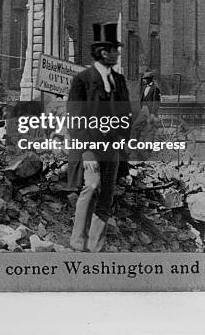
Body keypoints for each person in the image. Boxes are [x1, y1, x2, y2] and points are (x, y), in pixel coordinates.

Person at [67, 41, 132, 252]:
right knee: (92, 185)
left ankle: (96, 247)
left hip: (113, 147)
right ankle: (78, 242)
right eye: (114, 50)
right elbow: (75, 119)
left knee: (107, 196)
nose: (118, 54)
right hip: (91, 147)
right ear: (103, 52)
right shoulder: (82, 80)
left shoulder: (119, 81)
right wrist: (87, 152)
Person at [131, 70, 161, 141]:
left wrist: (153, 113)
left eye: (145, 79)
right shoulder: (144, 88)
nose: (144, 81)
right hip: (143, 110)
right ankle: (134, 143)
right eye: (143, 79)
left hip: (150, 111)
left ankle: (149, 148)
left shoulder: (155, 89)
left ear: (149, 79)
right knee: (135, 126)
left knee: (150, 129)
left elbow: (156, 102)